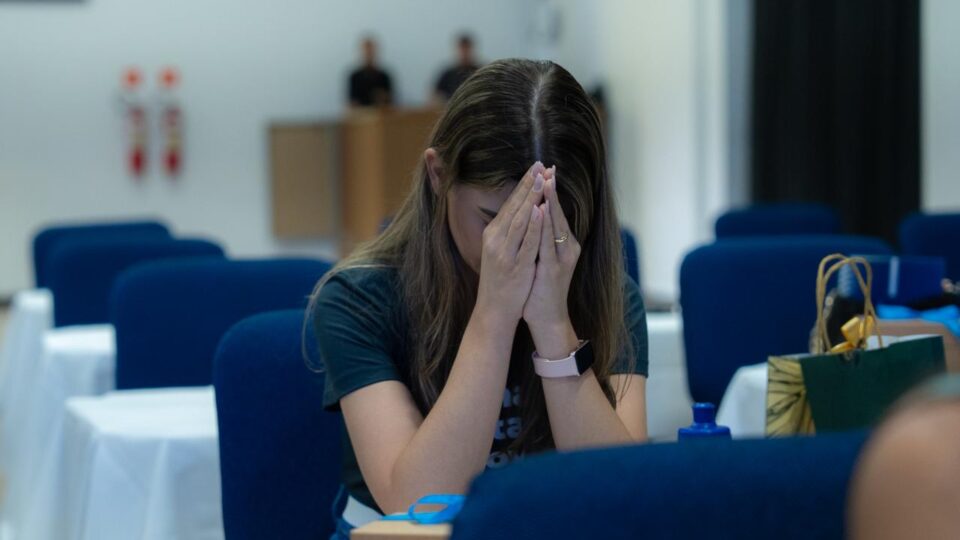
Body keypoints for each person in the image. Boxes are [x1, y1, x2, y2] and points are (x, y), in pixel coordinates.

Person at [311, 59, 648, 539]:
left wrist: (554, 329)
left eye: (554, 223)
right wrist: (494, 316)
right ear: (437, 176)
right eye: (494, 221)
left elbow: (624, 494)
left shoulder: (612, 295)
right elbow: (417, 503)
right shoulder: (358, 298)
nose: (524, 248)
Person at [433, 34, 480, 102]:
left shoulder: (480, 72)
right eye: (462, 48)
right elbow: (435, 95)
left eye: (467, 48)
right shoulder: (448, 74)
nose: (464, 52)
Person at [348, 37, 392, 107]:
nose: (369, 54)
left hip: (381, 115)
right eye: (366, 51)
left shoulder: (384, 76)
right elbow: (351, 102)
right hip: (361, 116)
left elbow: (390, 102)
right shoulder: (354, 77)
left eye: (371, 51)